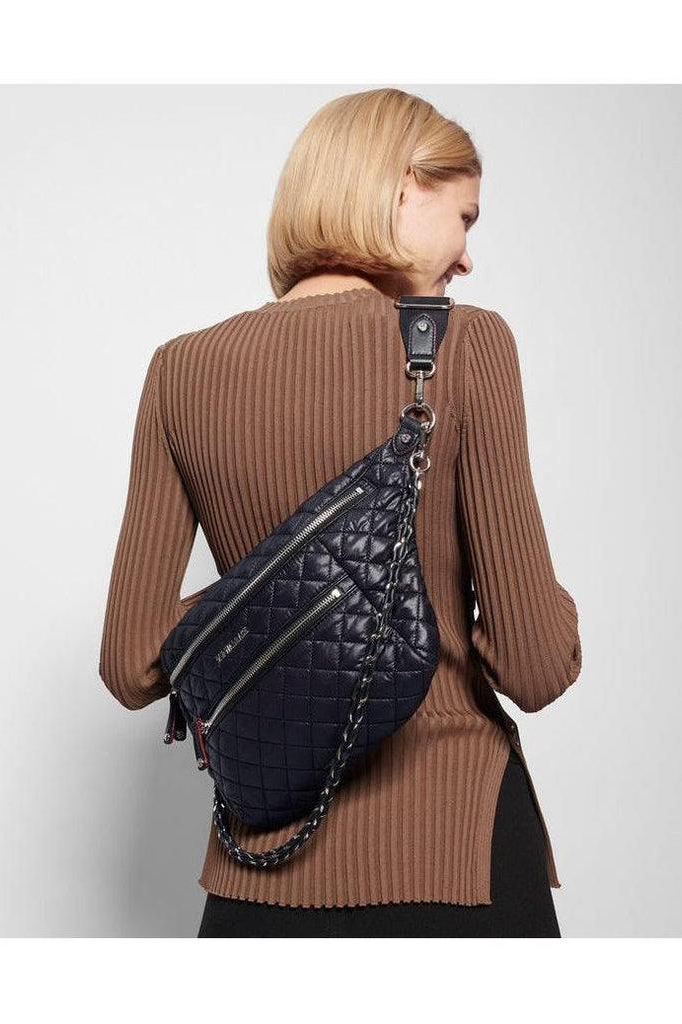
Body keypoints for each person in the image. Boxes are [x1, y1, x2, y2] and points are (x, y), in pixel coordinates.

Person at [99, 87, 582, 938]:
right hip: (452, 852)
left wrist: (282, 594)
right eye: (464, 216)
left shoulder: (178, 370)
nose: (467, 258)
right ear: (401, 188)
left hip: (257, 872)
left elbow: (128, 663)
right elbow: (536, 666)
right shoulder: (466, 344)